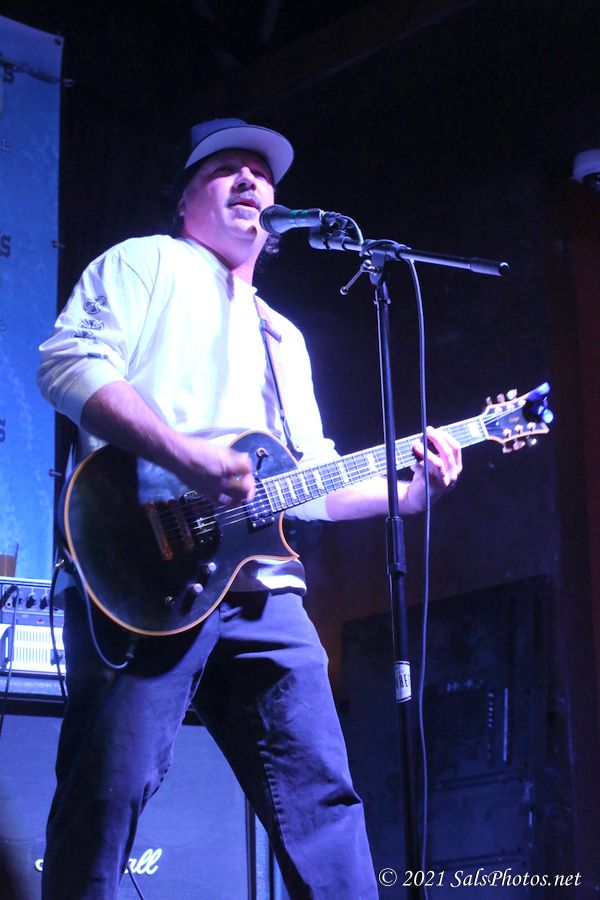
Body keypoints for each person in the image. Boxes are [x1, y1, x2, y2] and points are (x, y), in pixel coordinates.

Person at [37, 117, 462, 899]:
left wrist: (405, 495)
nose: (250, 182)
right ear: (184, 200)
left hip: (264, 595)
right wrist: (185, 455)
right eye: (226, 169)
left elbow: (311, 478)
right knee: (106, 796)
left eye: (262, 175)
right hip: (144, 572)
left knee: (324, 805)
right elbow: (68, 365)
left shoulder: (282, 335)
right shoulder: (143, 264)